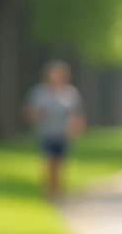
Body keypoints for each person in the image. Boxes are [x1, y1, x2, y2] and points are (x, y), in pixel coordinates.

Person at [23, 60, 85, 200]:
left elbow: (77, 114)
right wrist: (38, 114)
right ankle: (48, 193)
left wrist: (76, 127)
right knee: (49, 163)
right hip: (46, 133)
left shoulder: (70, 93)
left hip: (62, 134)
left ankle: (58, 192)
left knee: (59, 164)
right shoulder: (39, 92)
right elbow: (28, 112)